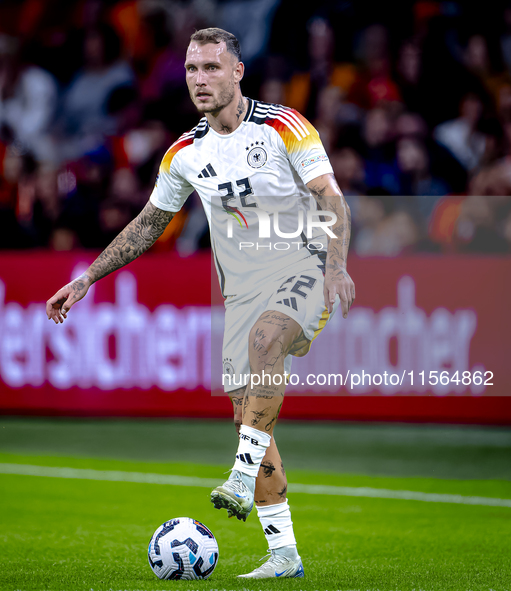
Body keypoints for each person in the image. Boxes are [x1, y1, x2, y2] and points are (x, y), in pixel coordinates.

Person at [46, 28, 355, 579]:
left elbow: (330, 196)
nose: (199, 79)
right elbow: (148, 225)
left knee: (267, 342)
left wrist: (335, 266)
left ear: (238, 72)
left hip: (303, 267)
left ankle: (238, 476)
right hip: (242, 291)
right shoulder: (185, 153)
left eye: (212, 67)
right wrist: (88, 277)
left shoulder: (285, 126)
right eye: (191, 69)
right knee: (250, 418)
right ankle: (284, 553)